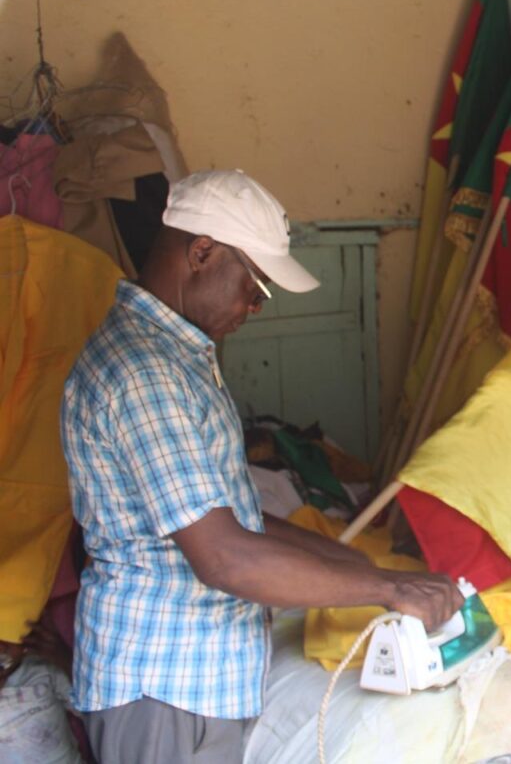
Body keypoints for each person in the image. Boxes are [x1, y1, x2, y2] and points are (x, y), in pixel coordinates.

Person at [61, 169, 463, 763]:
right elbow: (223, 556)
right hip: (163, 682)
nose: (254, 307)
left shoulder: (177, 359)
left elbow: (228, 515)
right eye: (255, 287)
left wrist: (352, 564)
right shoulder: (147, 374)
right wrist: (387, 587)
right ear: (202, 252)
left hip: (191, 682)